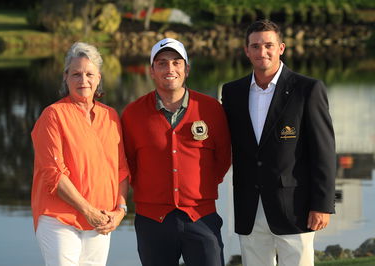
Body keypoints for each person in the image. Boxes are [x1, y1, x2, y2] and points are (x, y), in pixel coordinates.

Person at [221, 20, 336, 266]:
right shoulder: (232, 92)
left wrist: (323, 204)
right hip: (249, 207)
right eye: (255, 46)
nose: (262, 52)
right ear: (246, 50)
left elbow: (323, 151)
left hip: (296, 207)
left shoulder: (308, 89)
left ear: (281, 48)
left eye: (269, 45)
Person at [121, 38, 232, 266]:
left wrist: (197, 190)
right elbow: (128, 162)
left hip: (201, 216)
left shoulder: (211, 109)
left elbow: (222, 158)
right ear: (152, 71)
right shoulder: (133, 113)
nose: (169, 69)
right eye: (161, 63)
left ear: (187, 68)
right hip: (152, 220)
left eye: (176, 62)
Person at [31, 42, 129, 266]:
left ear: (98, 78)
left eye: (89, 74)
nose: (83, 80)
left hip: (101, 220)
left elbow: (121, 169)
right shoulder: (53, 115)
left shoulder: (110, 116)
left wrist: (120, 211)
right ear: (65, 77)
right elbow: (53, 174)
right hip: (59, 219)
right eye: (76, 74)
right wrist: (88, 211)